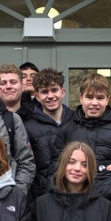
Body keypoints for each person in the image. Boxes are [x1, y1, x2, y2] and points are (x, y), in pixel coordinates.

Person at [50, 72, 111, 221]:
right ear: (81, 98)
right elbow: (54, 169)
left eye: (100, 98)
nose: (94, 103)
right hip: (71, 208)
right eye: (89, 97)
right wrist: (62, 199)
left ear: (107, 99)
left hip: (109, 211)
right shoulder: (66, 131)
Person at [24, 67, 74, 200]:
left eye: (54, 90)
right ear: (37, 96)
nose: (50, 96)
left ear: (62, 92)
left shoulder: (77, 121)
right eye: (44, 92)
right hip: (43, 197)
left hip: (76, 194)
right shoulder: (28, 128)